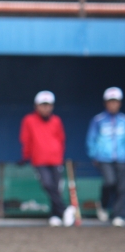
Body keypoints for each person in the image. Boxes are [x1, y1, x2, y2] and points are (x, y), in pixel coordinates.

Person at [20, 91, 76, 227]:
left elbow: (61, 139)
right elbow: (26, 139)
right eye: (43, 105)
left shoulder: (56, 120)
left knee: (56, 188)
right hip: (39, 160)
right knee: (47, 184)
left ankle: (55, 215)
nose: (46, 108)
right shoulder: (29, 120)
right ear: (36, 106)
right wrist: (25, 156)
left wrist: (60, 155)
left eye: (48, 105)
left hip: (56, 159)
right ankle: (65, 210)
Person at [86, 87, 125, 227]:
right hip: (104, 159)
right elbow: (91, 139)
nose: (113, 104)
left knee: (122, 187)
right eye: (110, 101)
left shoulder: (123, 120)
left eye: (116, 101)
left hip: (122, 159)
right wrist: (94, 155)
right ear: (105, 103)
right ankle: (102, 204)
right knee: (110, 182)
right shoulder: (98, 120)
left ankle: (118, 215)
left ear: (120, 103)